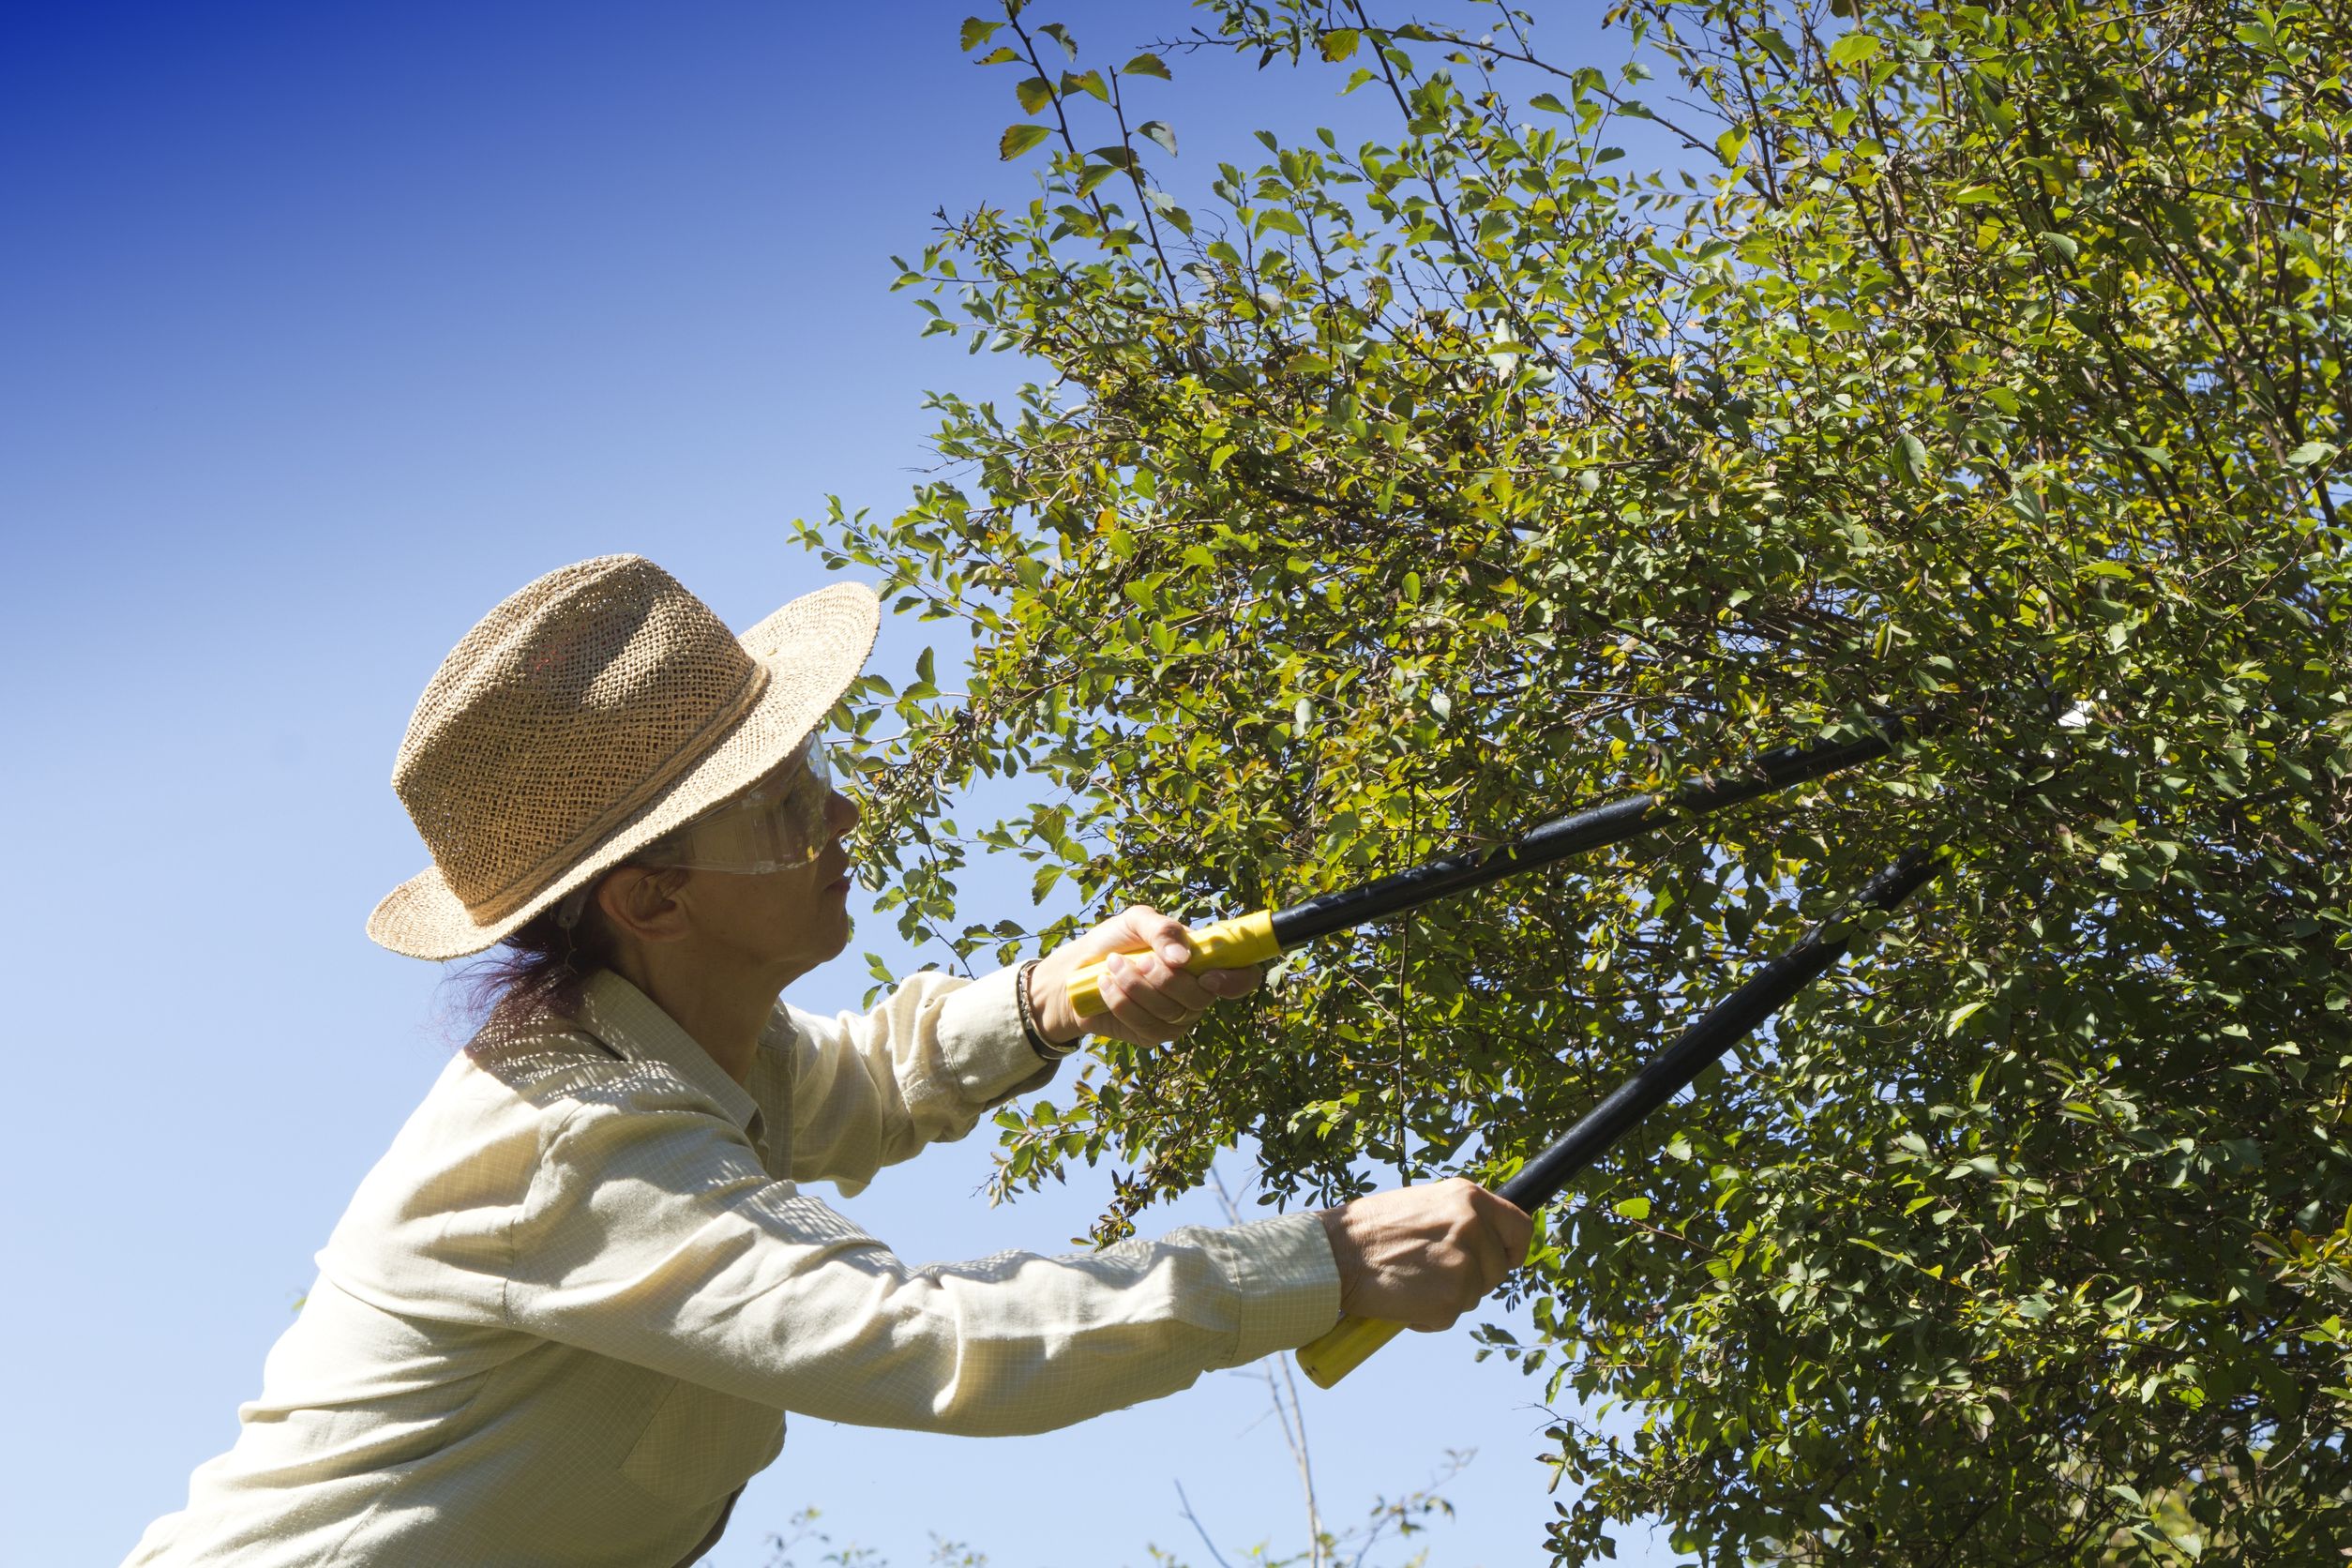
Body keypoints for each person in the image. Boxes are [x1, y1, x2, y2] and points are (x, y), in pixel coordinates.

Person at [123, 554, 1531, 1567]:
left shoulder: (681, 1043)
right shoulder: (576, 1143)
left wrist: (1058, 997)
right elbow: (928, 1342)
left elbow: (844, 1080)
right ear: (654, 901)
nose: (843, 812)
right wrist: (1321, 1264)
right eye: (788, 806)